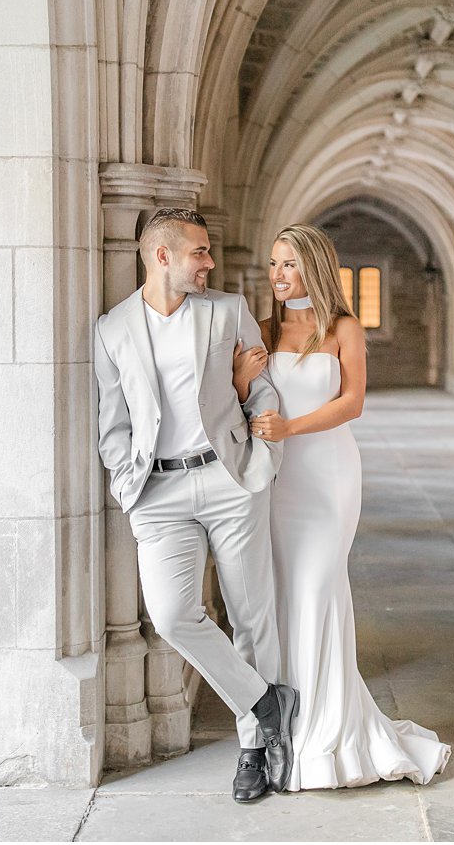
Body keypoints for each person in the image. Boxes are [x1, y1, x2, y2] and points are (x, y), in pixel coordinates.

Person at [93, 207, 299, 803]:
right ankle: (266, 702)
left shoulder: (226, 312)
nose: (209, 262)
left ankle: (255, 750)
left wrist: (263, 452)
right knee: (172, 614)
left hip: (229, 479)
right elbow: (114, 423)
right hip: (157, 493)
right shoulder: (111, 331)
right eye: (199, 252)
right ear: (162, 256)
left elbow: (262, 388)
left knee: (251, 615)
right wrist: (123, 480)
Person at [240, 222, 451, 790]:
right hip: (279, 482)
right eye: (274, 264)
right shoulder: (262, 329)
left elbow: (352, 402)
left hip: (329, 476)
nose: (278, 274)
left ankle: (326, 735)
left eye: (289, 263)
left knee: (317, 589)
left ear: (313, 265)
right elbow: (241, 400)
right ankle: (287, 730)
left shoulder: (342, 328)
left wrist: (290, 427)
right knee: (285, 598)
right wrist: (243, 384)